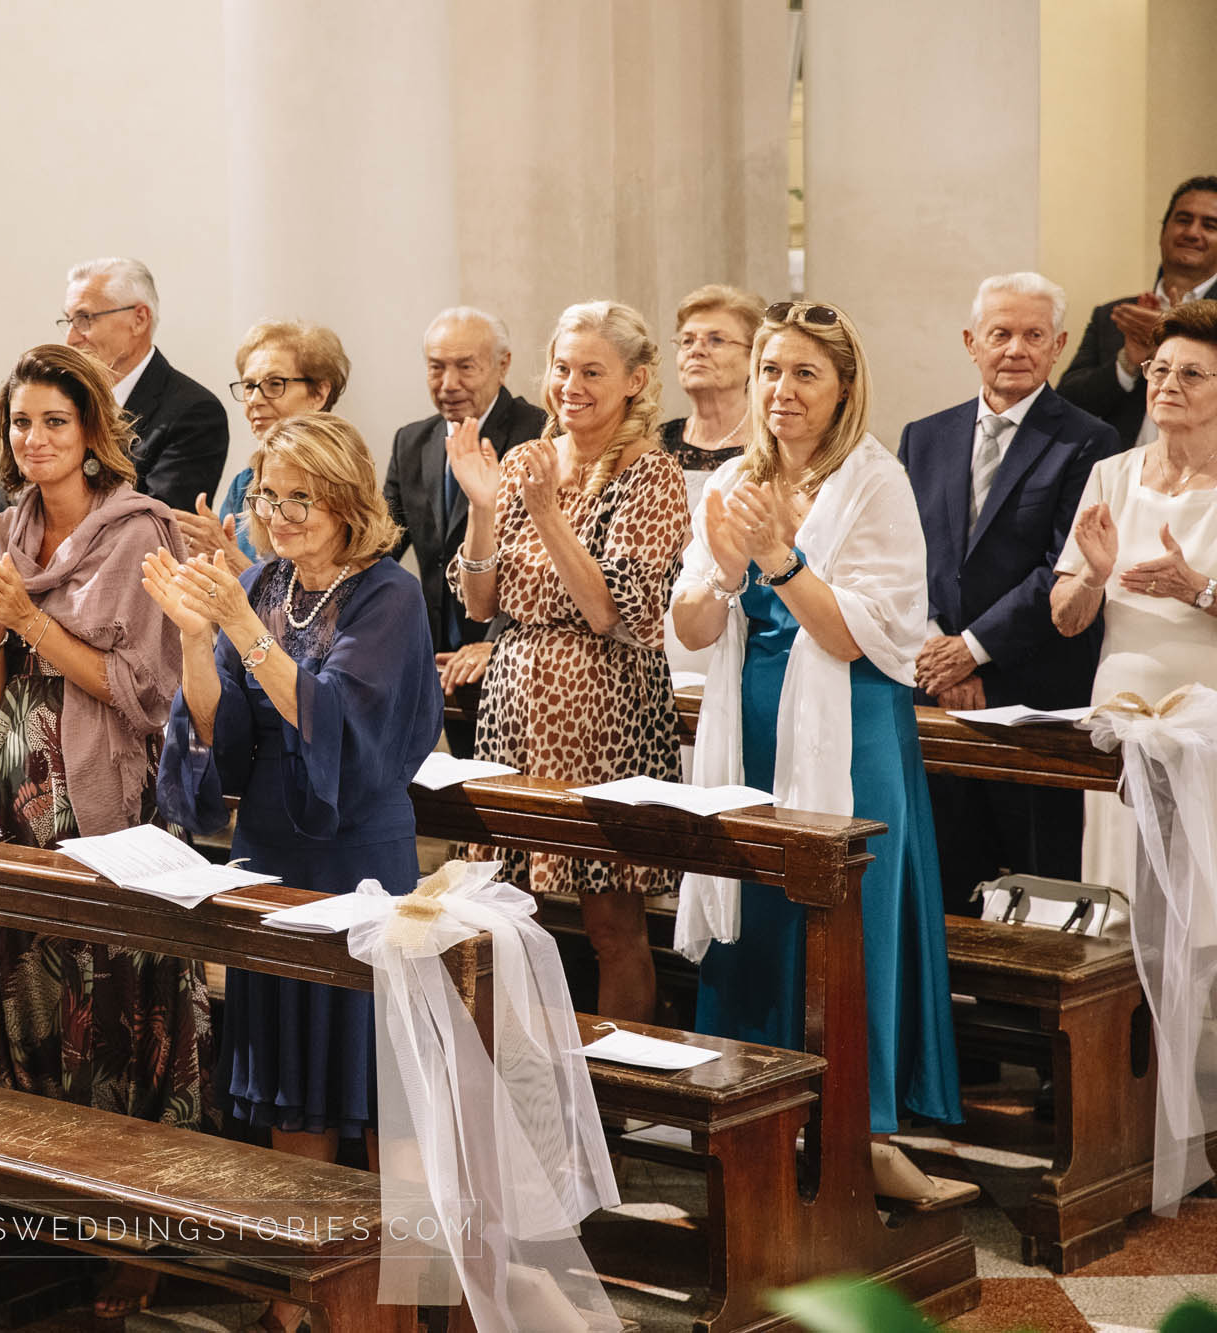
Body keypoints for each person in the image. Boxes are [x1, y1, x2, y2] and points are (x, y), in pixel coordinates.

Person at [672, 300, 969, 1207]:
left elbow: (861, 639)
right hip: (749, 738)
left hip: (853, 735)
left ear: (844, 388)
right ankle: (755, 1123)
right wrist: (726, 568)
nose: (782, 390)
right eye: (770, 369)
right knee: (754, 923)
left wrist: (781, 557)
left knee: (849, 927)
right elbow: (685, 628)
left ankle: (860, 1135)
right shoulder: (732, 480)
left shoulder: (875, 482)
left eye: (806, 373)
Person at [0, 343, 206, 1321]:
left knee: (103, 1011)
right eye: (21, 422)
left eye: (54, 422)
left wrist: (27, 617)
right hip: (14, 790)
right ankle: (39, 1217)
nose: (35, 440)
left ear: (92, 429)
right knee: (17, 996)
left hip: (104, 796)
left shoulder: (140, 533)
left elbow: (143, 695)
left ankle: (131, 1238)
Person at [151, 412, 440, 1163]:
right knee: (288, 1077)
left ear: (347, 501)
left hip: (356, 853)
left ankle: (394, 1273)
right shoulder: (260, 584)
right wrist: (192, 640)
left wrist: (244, 628)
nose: (278, 518)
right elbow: (222, 733)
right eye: (267, 498)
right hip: (270, 849)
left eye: (298, 499)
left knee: (374, 1081)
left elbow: (340, 723)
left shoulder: (389, 595)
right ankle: (305, 1273)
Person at [446, 301, 688, 1023]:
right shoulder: (524, 459)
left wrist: (549, 514)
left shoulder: (654, 475)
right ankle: (513, 1078)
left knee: (612, 922)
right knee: (499, 909)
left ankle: (617, 1098)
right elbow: (482, 604)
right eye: (561, 367)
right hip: (516, 705)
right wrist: (485, 507)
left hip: (607, 712)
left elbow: (612, 612)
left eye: (592, 371)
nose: (570, 384)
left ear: (636, 381)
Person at [899, 273, 1121, 913]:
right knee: (943, 880)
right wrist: (940, 652)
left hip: (1034, 697)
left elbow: (1062, 564)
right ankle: (948, 1014)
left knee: (1038, 889)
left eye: (1033, 335)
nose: (1015, 349)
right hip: (933, 695)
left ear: (1060, 346)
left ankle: (1035, 1019)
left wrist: (974, 650)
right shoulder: (924, 436)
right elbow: (903, 558)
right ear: (972, 342)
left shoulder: (1089, 441)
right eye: (1001, 334)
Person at [1050, 298, 1217, 893]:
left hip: (1208, 729)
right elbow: (1067, 621)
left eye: (1191, 373)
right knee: (1121, 894)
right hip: (1121, 718)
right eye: (1159, 368)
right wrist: (1093, 577)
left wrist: (1198, 590)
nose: (1168, 383)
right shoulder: (1111, 474)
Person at [386, 307, 548, 758]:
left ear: (503, 365)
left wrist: (491, 645)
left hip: (516, 661)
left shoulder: (539, 434)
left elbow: (541, 561)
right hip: (441, 662)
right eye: (436, 367)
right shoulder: (412, 441)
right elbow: (381, 546)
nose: (448, 383)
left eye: (465, 367)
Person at [173, 318, 353, 576]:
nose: (255, 400)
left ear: (319, 393)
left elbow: (317, 603)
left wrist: (235, 564)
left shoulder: (341, 479)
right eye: (249, 386)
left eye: (274, 384)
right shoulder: (243, 485)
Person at [1059, 176, 1217, 448]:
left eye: (1210, 225)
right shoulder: (1117, 316)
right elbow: (1065, 403)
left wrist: (1180, 336)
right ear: (1163, 231)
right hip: (1117, 477)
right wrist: (1128, 362)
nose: (1192, 232)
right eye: (1182, 219)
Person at [59, 257, 227, 511]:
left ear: (139, 319)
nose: (70, 338)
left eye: (84, 319)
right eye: (69, 321)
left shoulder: (194, 413)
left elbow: (158, 523)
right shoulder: (63, 400)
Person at [660, 285, 765, 676]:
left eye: (716, 340)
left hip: (746, 628)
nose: (696, 349)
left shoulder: (770, 449)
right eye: (687, 340)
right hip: (658, 630)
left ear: (755, 355)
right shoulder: (652, 444)